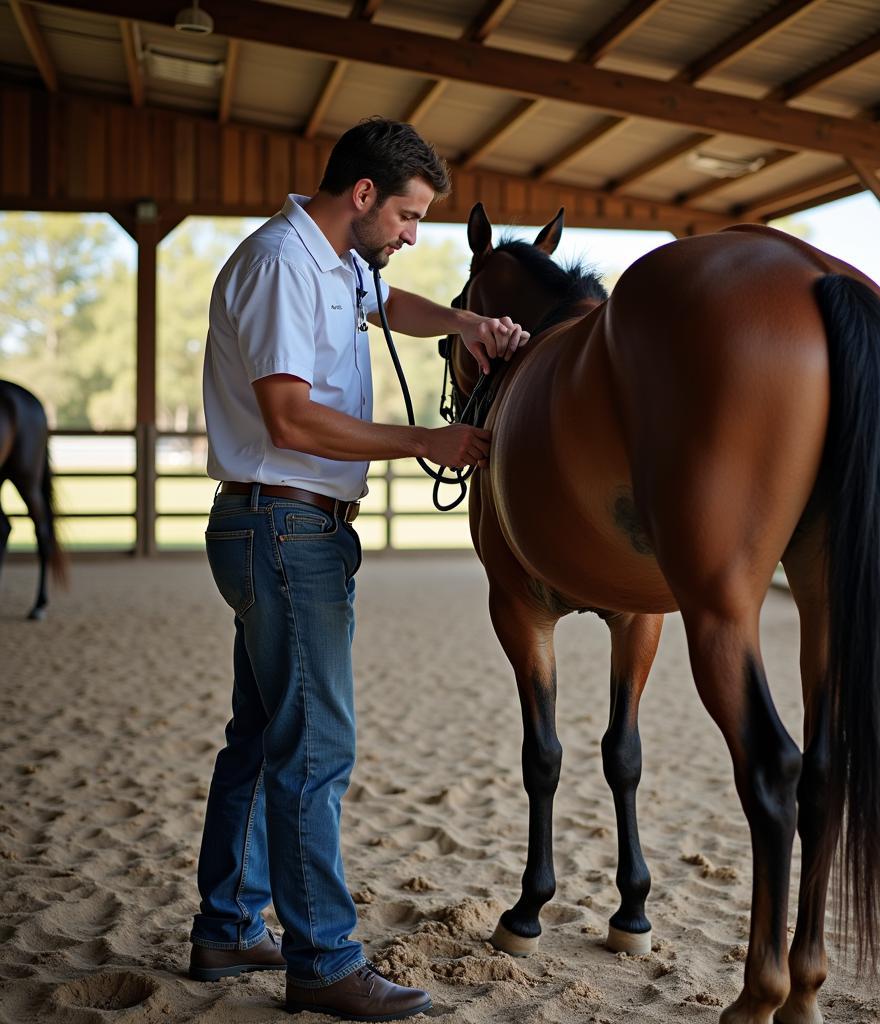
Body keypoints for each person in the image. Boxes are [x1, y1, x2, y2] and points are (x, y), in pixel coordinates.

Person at [188, 117, 529, 1020]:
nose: (414, 235)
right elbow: (290, 422)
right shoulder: (278, 266)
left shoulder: (337, 263)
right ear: (365, 196)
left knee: (261, 736)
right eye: (411, 216)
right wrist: (429, 439)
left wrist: (462, 319)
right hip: (284, 527)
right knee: (316, 748)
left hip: (290, 529)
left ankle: (226, 927)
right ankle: (324, 963)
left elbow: (394, 305)